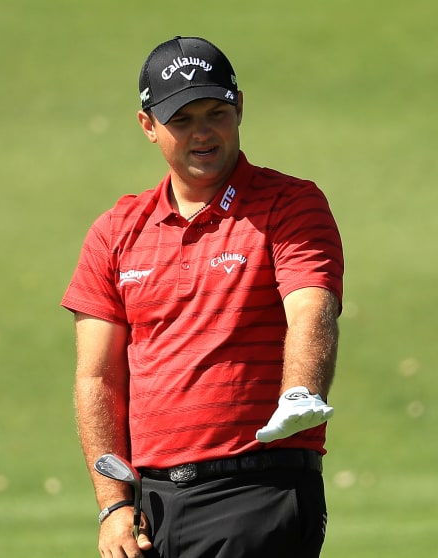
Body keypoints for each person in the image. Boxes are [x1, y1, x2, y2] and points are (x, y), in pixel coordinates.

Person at [61, 36, 344, 558]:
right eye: (183, 120)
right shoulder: (115, 231)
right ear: (148, 126)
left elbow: (311, 308)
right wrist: (114, 505)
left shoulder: (290, 204)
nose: (203, 133)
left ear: (239, 108)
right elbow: (97, 376)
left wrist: (301, 391)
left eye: (216, 112)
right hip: (154, 505)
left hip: (259, 488)